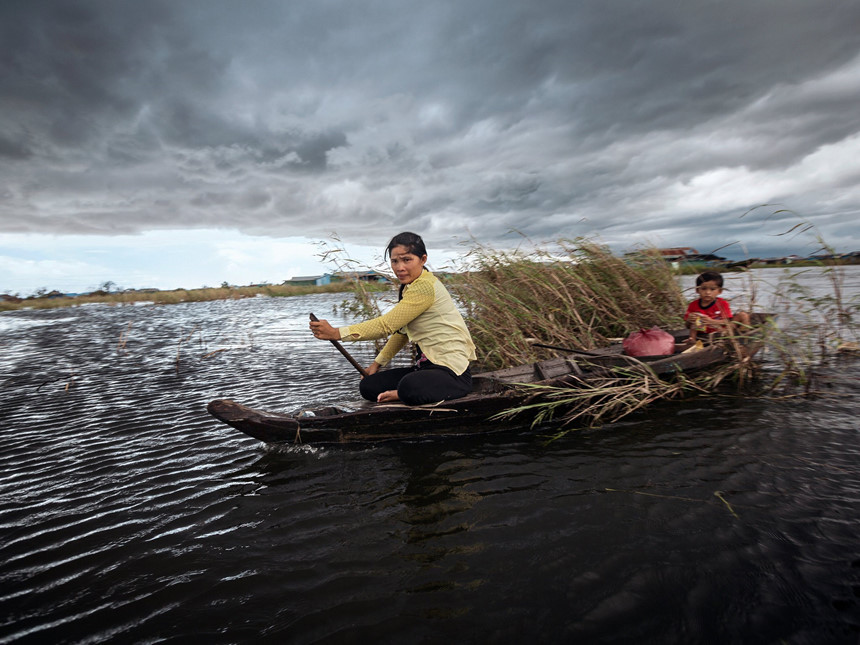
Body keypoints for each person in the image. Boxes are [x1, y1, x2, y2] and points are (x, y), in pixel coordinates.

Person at [309, 232, 477, 405]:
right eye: (395, 261)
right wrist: (376, 364)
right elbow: (400, 333)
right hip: (427, 368)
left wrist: (337, 333)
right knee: (368, 386)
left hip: (452, 372)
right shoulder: (409, 288)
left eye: (407, 260)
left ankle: (404, 393)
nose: (399, 267)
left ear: (423, 259)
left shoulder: (425, 286)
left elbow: (386, 325)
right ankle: (405, 392)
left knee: (409, 387)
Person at [684, 270, 751, 342]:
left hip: (722, 333)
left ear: (720, 291)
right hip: (703, 334)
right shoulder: (693, 305)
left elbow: (727, 321)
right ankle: (692, 340)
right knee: (696, 318)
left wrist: (711, 321)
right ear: (697, 290)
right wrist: (689, 320)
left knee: (743, 315)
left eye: (712, 289)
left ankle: (743, 340)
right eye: (703, 289)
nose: (707, 292)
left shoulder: (722, 303)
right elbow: (687, 325)